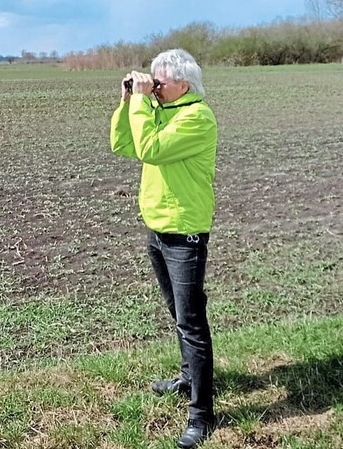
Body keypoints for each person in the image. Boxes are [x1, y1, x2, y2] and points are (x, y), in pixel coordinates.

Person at [109, 48, 218, 449]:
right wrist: (128, 102)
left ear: (183, 85)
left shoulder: (197, 118)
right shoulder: (161, 111)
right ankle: (189, 379)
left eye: (160, 82)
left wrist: (141, 101)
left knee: (191, 322)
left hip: (185, 232)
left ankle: (201, 415)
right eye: (150, 81)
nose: (153, 88)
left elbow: (151, 149)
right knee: (178, 314)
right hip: (157, 228)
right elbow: (125, 144)